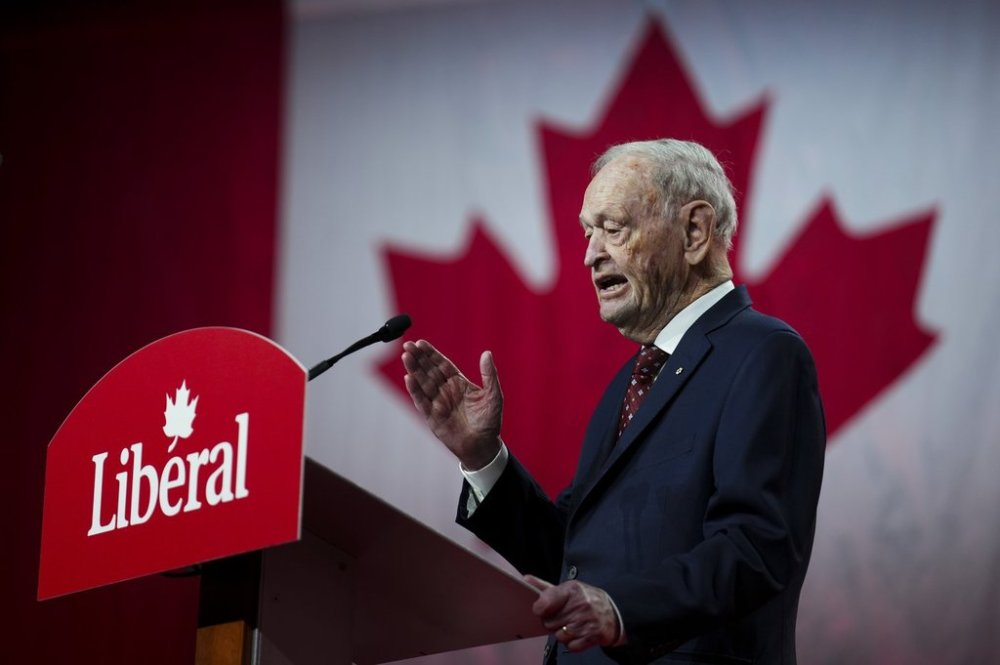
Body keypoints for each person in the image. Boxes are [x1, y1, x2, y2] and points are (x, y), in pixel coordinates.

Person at [401, 139, 825, 664]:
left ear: (694, 232)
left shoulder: (763, 355)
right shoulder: (635, 380)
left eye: (613, 228)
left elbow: (756, 548)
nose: (590, 253)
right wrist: (483, 458)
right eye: (587, 232)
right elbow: (573, 560)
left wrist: (621, 610)